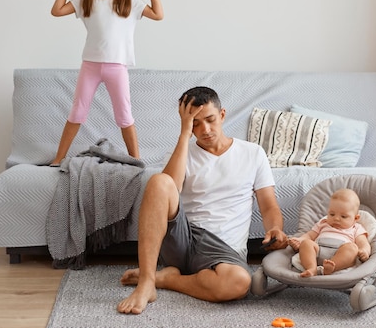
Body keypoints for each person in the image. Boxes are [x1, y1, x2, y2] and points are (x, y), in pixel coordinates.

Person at [117, 86, 288, 314]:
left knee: (239, 282)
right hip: (184, 238)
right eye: (196, 123)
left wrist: (275, 228)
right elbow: (170, 188)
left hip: (223, 248)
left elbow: (269, 206)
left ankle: (167, 280)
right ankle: (147, 282)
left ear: (223, 115)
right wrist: (184, 134)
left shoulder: (253, 153)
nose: (205, 130)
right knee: (159, 181)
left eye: (210, 120)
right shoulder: (181, 152)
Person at [49, 0, 163, 165]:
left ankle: (136, 160)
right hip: (90, 66)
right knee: (77, 113)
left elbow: (158, 14)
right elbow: (57, 10)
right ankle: (58, 158)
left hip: (117, 67)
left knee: (125, 116)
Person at [287, 188, 371, 277]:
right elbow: (310, 235)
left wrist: (364, 251)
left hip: (340, 254)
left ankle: (331, 267)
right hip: (318, 252)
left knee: (352, 248)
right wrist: (300, 240)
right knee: (306, 243)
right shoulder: (323, 223)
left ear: (356, 218)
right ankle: (311, 268)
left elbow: (364, 243)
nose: (336, 218)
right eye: (332, 214)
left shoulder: (356, 228)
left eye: (343, 216)